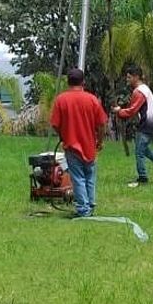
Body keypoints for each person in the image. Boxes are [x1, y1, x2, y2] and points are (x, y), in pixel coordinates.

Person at [50, 68, 108, 218]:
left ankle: (83, 209)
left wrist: (63, 136)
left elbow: (55, 124)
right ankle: (90, 205)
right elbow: (102, 124)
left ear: (68, 82)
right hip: (90, 146)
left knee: (78, 178)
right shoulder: (92, 99)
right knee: (90, 176)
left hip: (71, 146)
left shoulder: (61, 100)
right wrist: (100, 141)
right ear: (83, 82)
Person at [112, 65, 153, 187]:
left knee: (139, 152)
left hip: (146, 124)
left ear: (136, 77)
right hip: (151, 123)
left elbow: (132, 110)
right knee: (144, 149)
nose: (127, 79)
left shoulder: (139, 91)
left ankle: (143, 177)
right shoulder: (144, 89)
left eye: (129, 77)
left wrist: (119, 111)